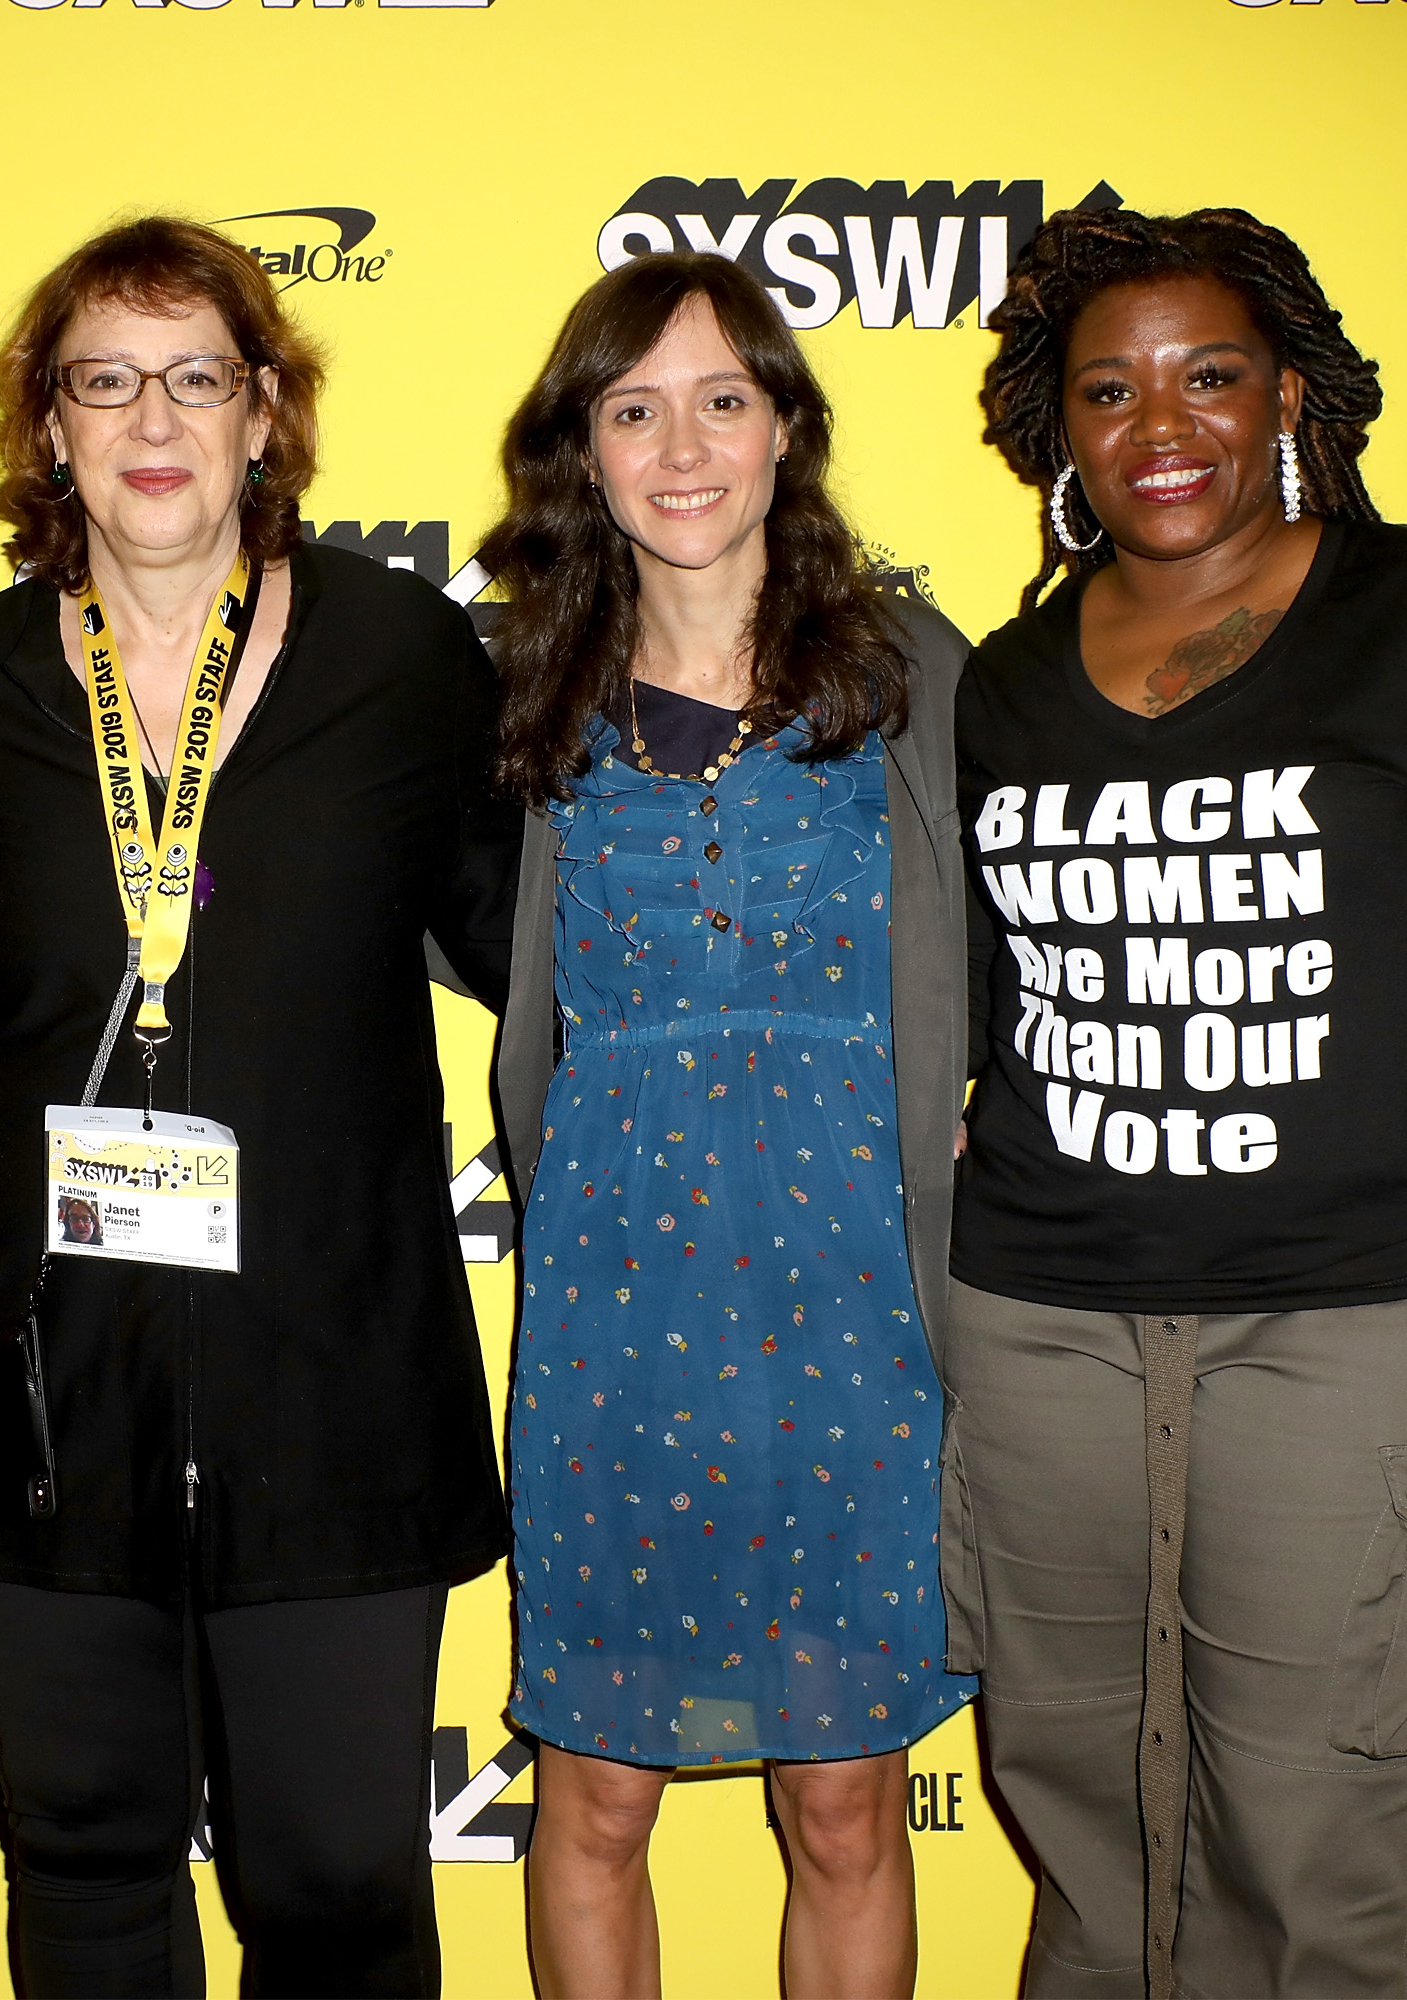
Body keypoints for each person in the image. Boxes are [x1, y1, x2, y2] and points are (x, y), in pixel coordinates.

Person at [953, 206, 1407, 1998]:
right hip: (1037, 1333)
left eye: (1210, 377)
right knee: (1084, 1832)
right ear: (1056, 428)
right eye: (1109, 389)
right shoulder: (1003, 684)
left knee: (1308, 1857)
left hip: (1361, 1324)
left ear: (1290, 399)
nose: (1160, 424)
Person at [0, 217, 518, 1998]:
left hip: (334, 1389)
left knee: (335, 1893)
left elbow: (531, 947)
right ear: (49, 431)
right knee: (80, 1870)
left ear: (263, 417)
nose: (151, 418)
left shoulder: (403, 658)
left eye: (196, 377)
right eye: (103, 379)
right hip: (41, 1391)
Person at [483, 253, 976, 2000]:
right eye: (633, 410)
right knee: (594, 1795)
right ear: (585, 454)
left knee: (844, 1801)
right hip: (614, 1312)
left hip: (857, 1308)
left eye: (721, 400)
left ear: (785, 430)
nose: (680, 448)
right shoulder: (520, 689)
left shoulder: (916, 671)